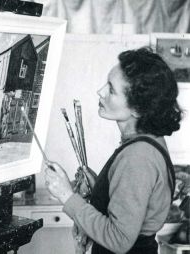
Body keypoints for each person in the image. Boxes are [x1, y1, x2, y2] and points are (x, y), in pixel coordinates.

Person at [44, 47, 182, 254]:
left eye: (111, 89)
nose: (100, 91)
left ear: (138, 109)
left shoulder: (138, 156)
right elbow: (133, 201)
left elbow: (119, 240)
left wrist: (66, 196)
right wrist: (101, 186)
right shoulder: (147, 142)